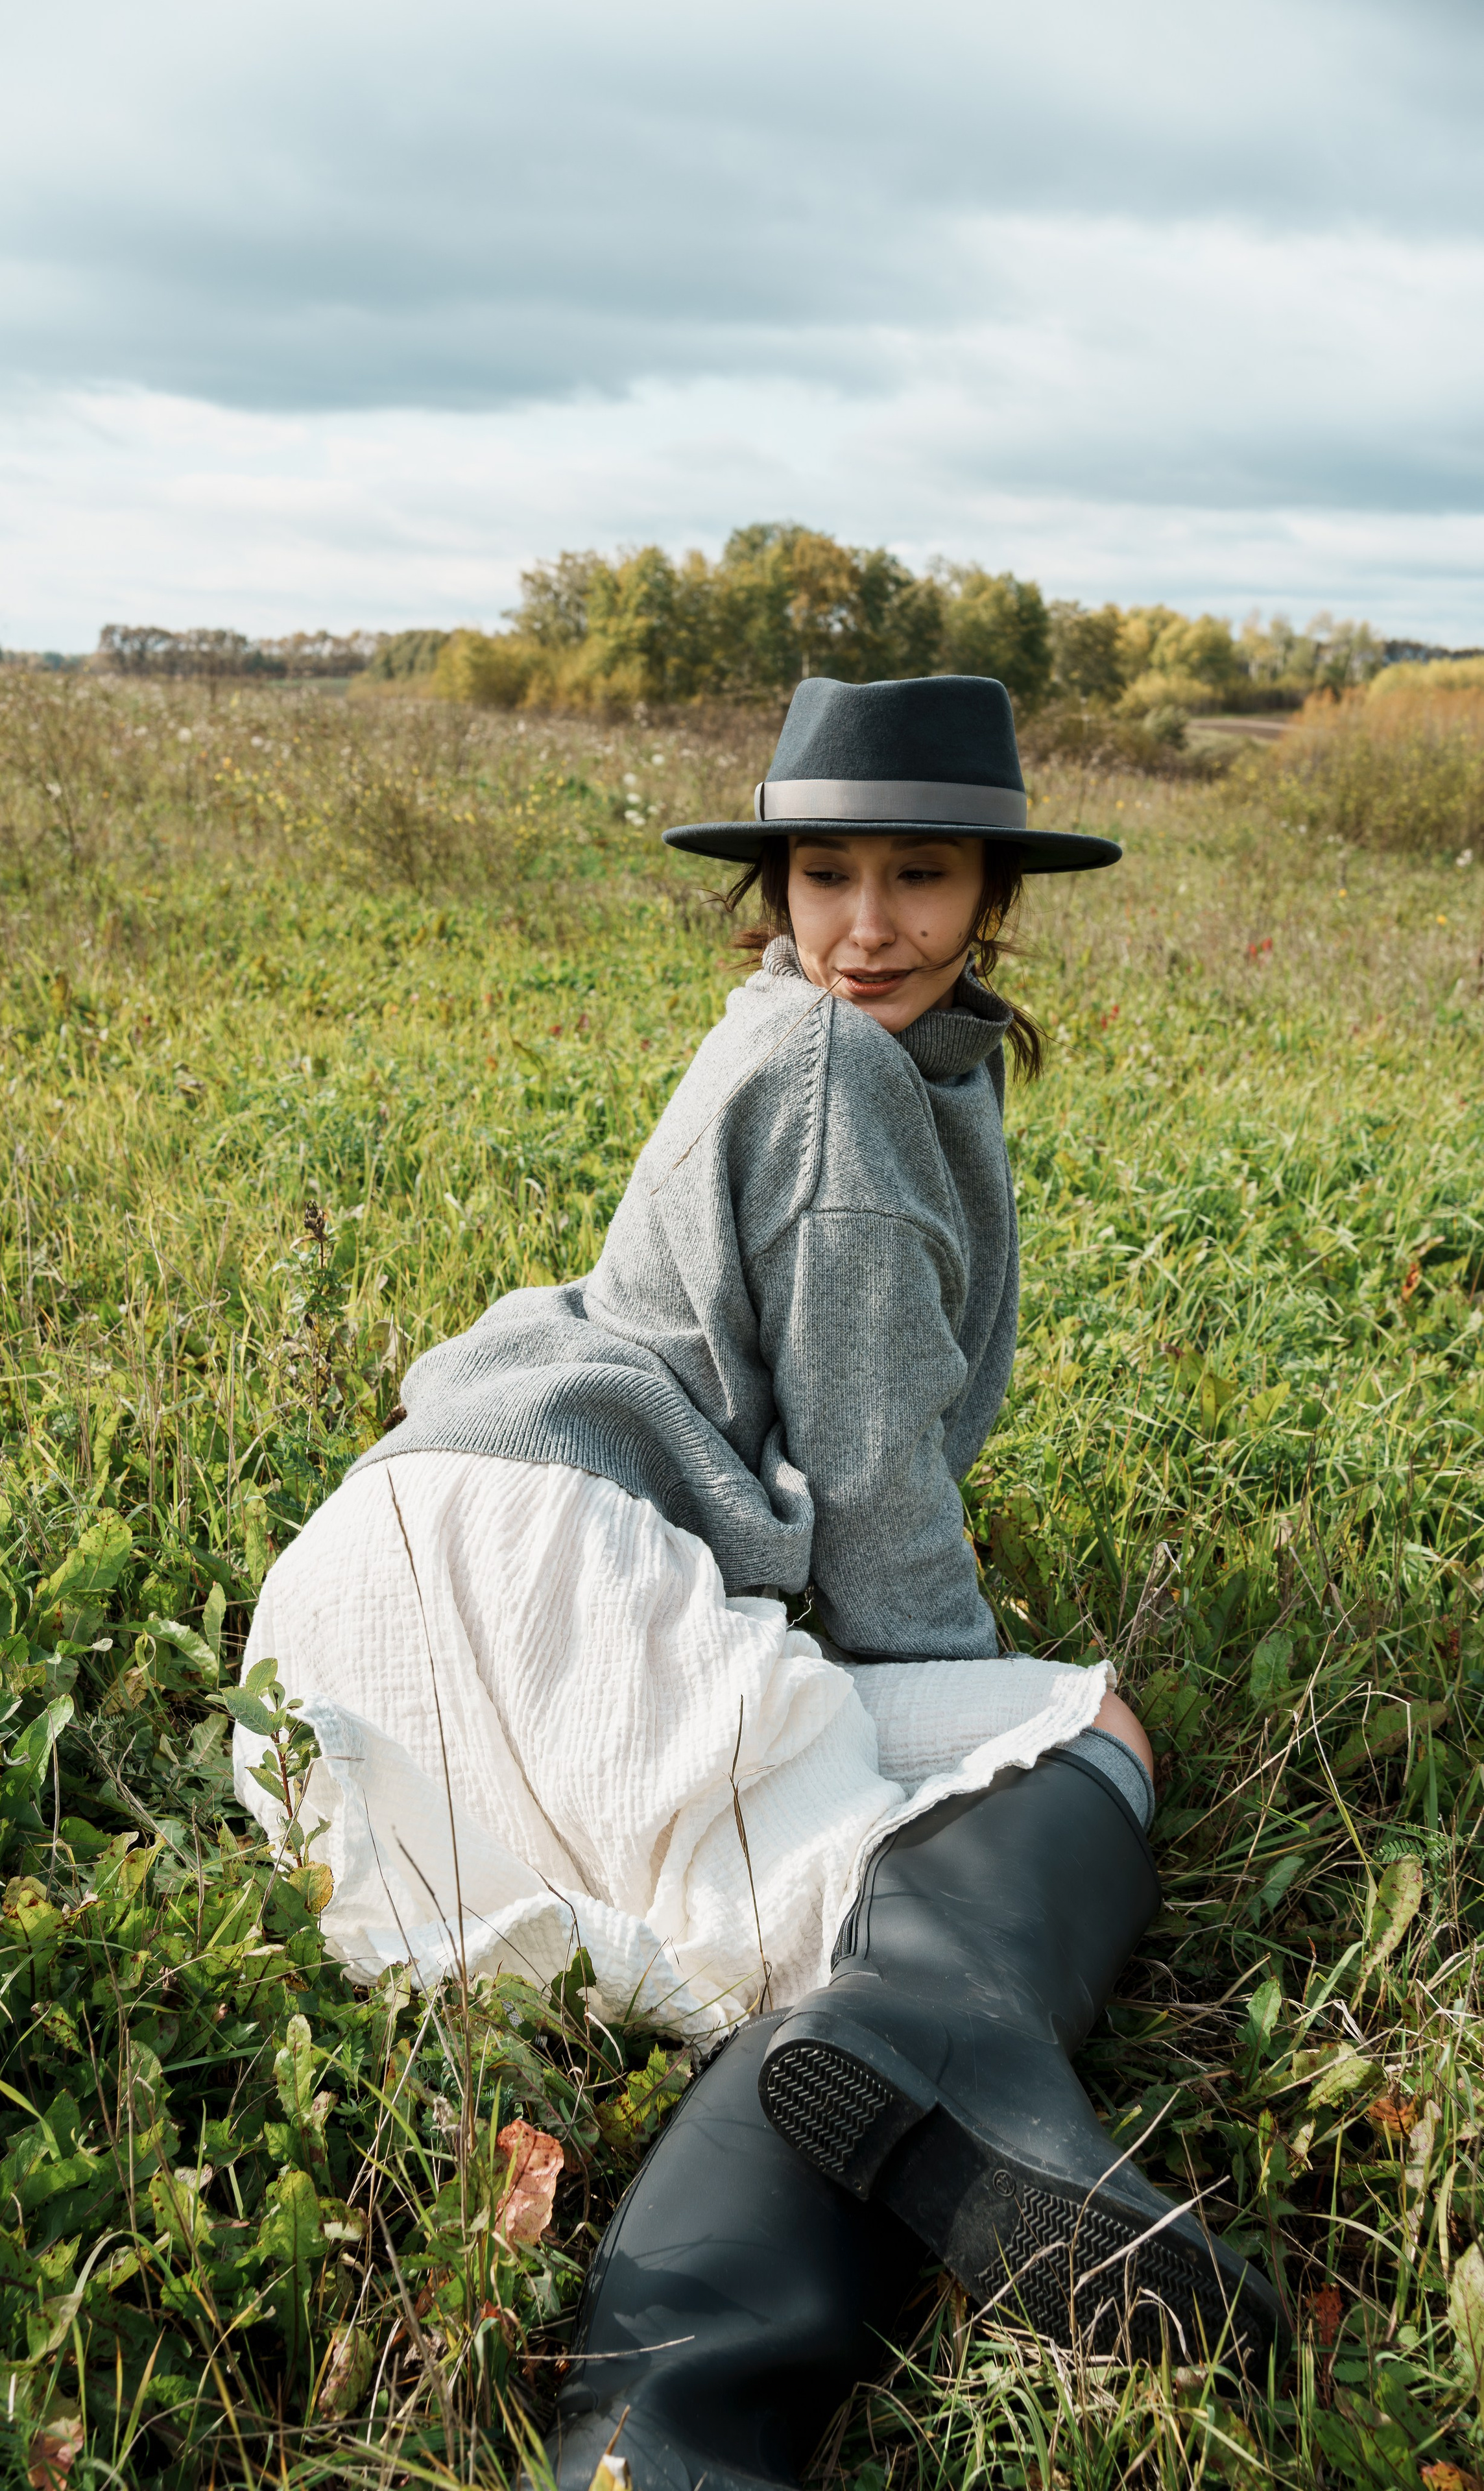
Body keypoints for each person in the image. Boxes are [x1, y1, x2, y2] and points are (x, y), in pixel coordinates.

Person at [238, 676, 1281, 2491]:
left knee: (849, 1918)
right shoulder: (833, 1074)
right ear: (776, 888)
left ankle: (672, 2430)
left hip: (381, 1597)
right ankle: (690, 2400)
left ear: (990, 900)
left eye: (920, 876)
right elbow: (878, 1503)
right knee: (1031, 1764)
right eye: (826, 877)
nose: (866, 927)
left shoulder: (825, 1049)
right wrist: (965, 1709)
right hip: (533, 1567)